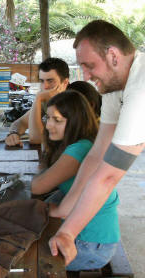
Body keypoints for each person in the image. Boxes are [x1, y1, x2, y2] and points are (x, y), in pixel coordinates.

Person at [48, 20, 145, 266]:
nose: (87, 76)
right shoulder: (114, 89)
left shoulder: (139, 90)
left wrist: (68, 232)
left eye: (89, 66)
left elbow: (108, 176)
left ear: (113, 55)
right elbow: (95, 156)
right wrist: (68, 211)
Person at [31, 91, 119, 271]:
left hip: (91, 246)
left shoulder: (79, 150)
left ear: (75, 122)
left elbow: (38, 186)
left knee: (24, 256)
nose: (48, 125)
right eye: (47, 118)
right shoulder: (81, 143)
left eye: (57, 120)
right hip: (93, 239)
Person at [5, 57, 69, 146]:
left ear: (65, 83)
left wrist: (38, 98)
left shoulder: (72, 102)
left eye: (50, 81)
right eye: (42, 81)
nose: (45, 86)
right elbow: (21, 123)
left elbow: (36, 139)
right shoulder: (49, 99)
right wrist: (13, 133)